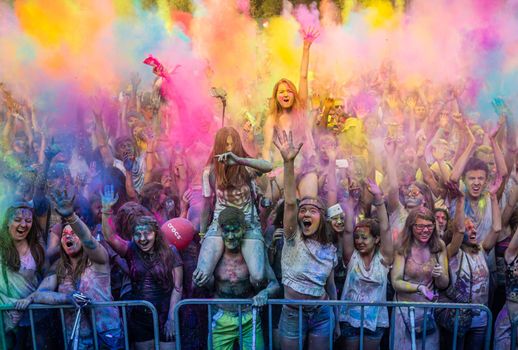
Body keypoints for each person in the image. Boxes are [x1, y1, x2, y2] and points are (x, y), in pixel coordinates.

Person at [15, 189, 123, 349]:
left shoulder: (98, 260)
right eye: (64, 234)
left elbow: (88, 240)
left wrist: (71, 217)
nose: (68, 236)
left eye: (74, 233)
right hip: (77, 339)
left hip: (107, 336)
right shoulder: (59, 267)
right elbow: (40, 294)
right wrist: (67, 298)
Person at [273, 130, 340, 349]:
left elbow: (330, 286)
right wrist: (288, 163)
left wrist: (336, 318)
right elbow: (291, 202)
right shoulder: (292, 238)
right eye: (304, 211)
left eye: (313, 211)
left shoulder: (329, 247)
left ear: (322, 218)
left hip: (322, 313)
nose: (306, 214)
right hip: (293, 313)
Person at [101, 185, 183, 350]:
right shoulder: (131, 250)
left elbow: (178, 287)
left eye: (147, 233)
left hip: (165, 313)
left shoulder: (170, 251)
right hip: (141, 316)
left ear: (156, 234)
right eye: (138, 234)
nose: (142, 239)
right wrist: (106, 210)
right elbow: (110, 237)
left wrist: (171, 319)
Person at [194, 127, 272, 289]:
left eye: (232, 144)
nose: (229, 149)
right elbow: (206, 205)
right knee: (201, 276)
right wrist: (202, 233)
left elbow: (268, 167)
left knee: (258, 276)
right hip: (219, 225)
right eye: (225, 145)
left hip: (248, 224)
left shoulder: (246, 166)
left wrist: (239, 160)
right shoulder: (209, 172)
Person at [195, 206, 280, 350]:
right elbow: (207, 286)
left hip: (250, 316)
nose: (230, 236)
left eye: (235, 230)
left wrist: (264, 293)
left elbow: (275, 284)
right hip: (220, 315)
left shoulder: (254, 255)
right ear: (220, 231)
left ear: (244, 229)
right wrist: (200, 281)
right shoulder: (213, 256)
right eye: (226, 231)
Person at [438, 177, 501, 350]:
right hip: (457, 317)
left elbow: (496, 229)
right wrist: (461, 200)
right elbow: (458, 229)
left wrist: (494, 197)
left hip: (480, 317)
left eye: (473, 227)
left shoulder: (481, 249)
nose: (473, 230)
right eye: (469, 228)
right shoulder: (452, 252)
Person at [339, 179, 393, 350]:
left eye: (364, 237)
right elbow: (347, 231)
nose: (359, 241)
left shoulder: (384, 259)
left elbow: (385, 228)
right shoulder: (352, 257)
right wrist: (350, 204)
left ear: (376, 239)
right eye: (357, 238)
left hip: (376, 321)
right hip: (350, 319)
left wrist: (378, 198)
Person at [391, 207, 449, 350]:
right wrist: (419, 288)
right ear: (411, 227)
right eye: (420, 226)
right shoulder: (403, 246)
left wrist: (439, 275)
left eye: (429, 226)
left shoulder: (438, 245)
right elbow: (396, 281)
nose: (425, 230)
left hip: (428, 313)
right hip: (404, 311)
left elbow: (443, 284)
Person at [0, 202, 49, 348]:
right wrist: (6, 301)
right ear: (8, 222)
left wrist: (33, 298)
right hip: (5, 316)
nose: (23, 224)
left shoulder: (37, 249)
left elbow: (49, 277)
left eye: (28, 221)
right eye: (17, 220)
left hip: (33, 317)